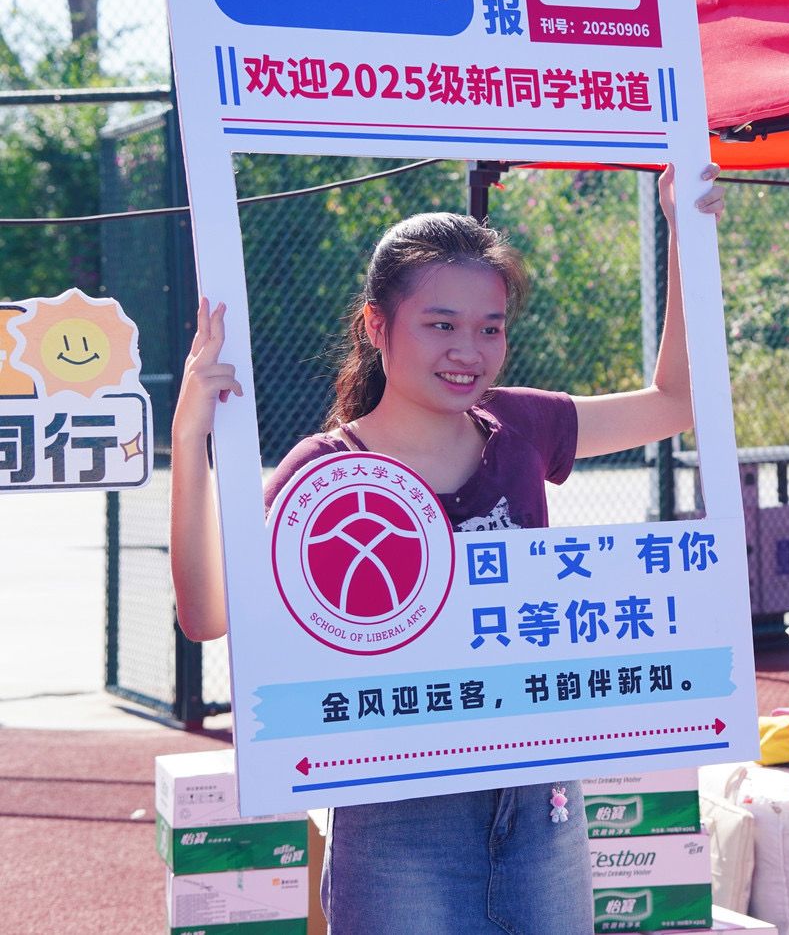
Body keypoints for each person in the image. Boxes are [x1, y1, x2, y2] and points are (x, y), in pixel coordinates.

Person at [169, 164, 725, 935]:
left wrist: (686, 236)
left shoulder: (522, 426)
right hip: (396, 816)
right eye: (441, 325)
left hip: (541, 803)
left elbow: (678, 402)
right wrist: (188, 434)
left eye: (490, 327)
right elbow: (207, 615)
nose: (470, 349)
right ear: (377, 326)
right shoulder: (325, 477)